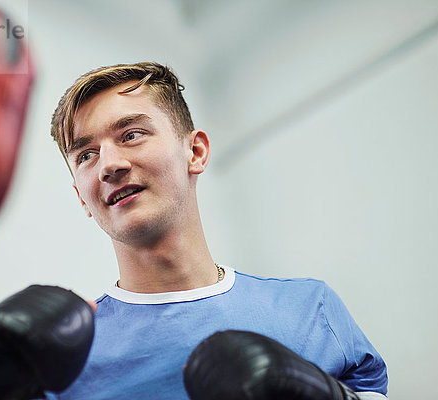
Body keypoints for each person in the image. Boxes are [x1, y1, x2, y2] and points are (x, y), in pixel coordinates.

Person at [48, 62, 388, 399]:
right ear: (81, 197)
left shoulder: (312, 309)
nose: (108, 165)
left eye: (131, 135)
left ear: (194, 152)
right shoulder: (62, 359)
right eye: (86, 155)